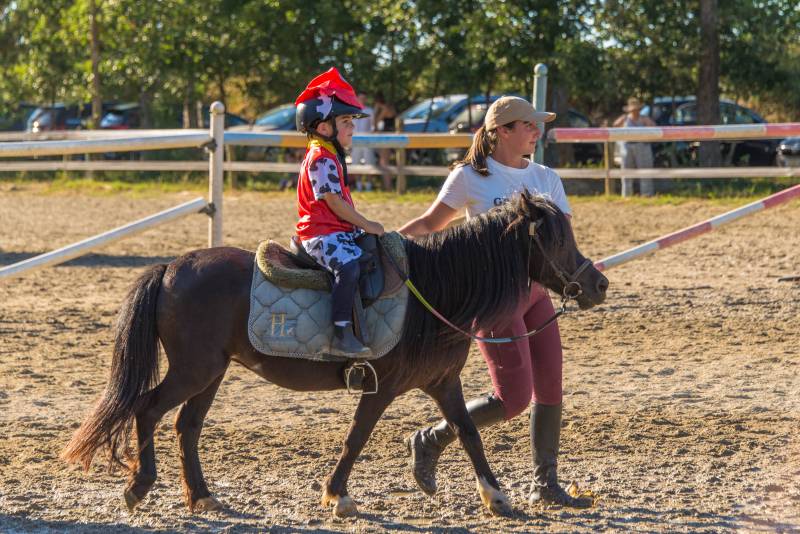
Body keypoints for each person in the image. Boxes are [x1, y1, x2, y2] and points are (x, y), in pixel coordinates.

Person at [398, 96, 592, 508]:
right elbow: (432, 224)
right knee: (514, 399)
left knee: (552, 387)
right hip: (497, 301)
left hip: (537, 295)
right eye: (528, 125)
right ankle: (431, 439)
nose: (537, 132)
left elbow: (561, 242)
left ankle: (547, 485)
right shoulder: (470, 177)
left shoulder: (546, 178)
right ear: (502, 131)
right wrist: (389, 245)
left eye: (537, 126)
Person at [294, 67, 385, 357]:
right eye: (345, 121)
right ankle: (341, 333)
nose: (352, 127)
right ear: (324, 127)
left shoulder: (329, 155)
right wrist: (367, 223)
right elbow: (333, 203)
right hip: (320, 234)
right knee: (348, 267)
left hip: (335, 231)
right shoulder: (321, 159)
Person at [613, 96, 657, 197]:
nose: (635, 111)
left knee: (645, 172)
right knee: (626, 172)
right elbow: (614, 126)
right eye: (633, 109)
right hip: (627, 146)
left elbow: (654, 127)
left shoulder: (644, 118)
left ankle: (647, 194)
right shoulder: (624, 119)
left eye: (636, 109)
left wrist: (647, 126)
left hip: (642, 146)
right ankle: (626, 195)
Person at [350, 92, 376, 191]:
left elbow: (373, 125)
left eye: (364, 98)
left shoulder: (369, 111)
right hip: (355, 140)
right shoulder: (352, 111)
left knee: (369, 162)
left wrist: (373, 132)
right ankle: (359, 186)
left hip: (367, 140)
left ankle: (368, 186)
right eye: (360, 98)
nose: (362, 100)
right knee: (356, 163)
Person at [373, 92, 398, 191]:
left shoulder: (385, 109)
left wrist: (376, 109)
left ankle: (388, 187)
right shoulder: (391, 108)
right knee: (384, 162)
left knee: (384, 163)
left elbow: (376, 123)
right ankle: (388, 186)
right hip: (391, 136)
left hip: (387, 138)